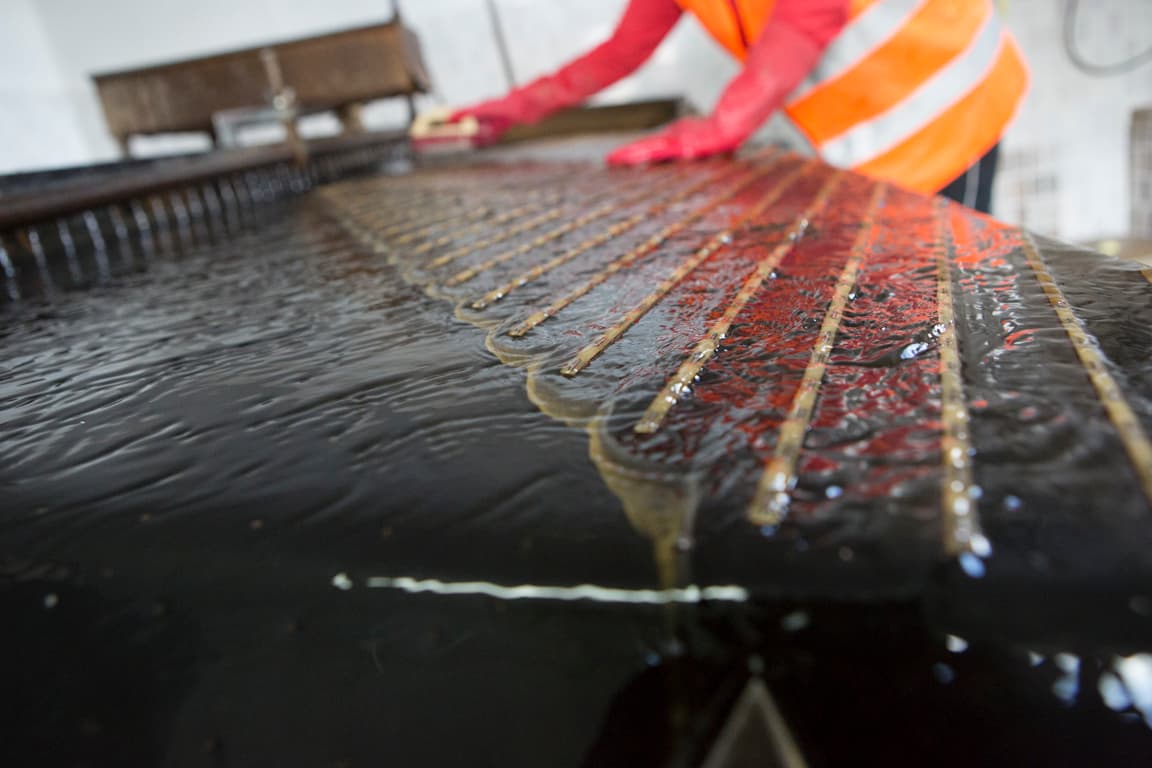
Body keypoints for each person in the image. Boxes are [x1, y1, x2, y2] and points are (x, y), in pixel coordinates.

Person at [450, 0, 1028, 214]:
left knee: (956, 290)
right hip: (879, 133)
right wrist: (507, 111)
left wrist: (726, 123)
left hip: (947, 96)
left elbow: (813, 9)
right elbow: (621, 51)